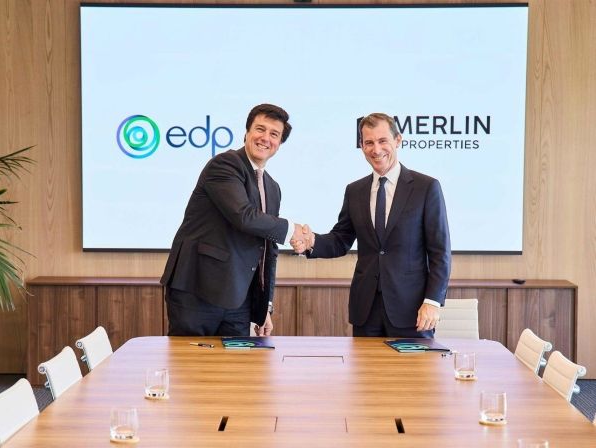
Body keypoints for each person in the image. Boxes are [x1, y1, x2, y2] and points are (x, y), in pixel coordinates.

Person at [293, 113, 451, 338]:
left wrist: (432, 301)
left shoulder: (426, 187)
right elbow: (341, 239)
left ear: (398, 140)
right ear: (362, 146)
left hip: (412, 311)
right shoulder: (355, 190)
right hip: (365, 311)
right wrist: (312, 242)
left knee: (414, 364)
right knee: (364, 364)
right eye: (369, 143)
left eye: (382, 141)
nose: (376, 150)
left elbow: (440, 252)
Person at [161, 104, 307, 337]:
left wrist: (264, 306)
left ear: (279, 143)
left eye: (274, 134)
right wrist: (292, 230)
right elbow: (243, 216)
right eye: (260, 129)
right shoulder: (225, 164)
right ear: (247, 132)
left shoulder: (272, 187)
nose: (265, 138)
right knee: (189, 359)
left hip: (239, 300)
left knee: (237, 360)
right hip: (197, 290)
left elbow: (268, 251)